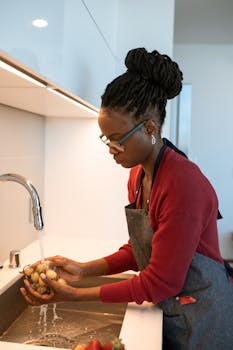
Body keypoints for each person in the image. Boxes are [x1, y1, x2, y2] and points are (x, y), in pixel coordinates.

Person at [20, 48, 233, 349]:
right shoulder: (139, 175)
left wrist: (76, 295)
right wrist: (84, 269)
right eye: (106, 139)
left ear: (149, 129)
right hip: (173, 309)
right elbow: (141, 250)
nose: (111, 149)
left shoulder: (183, 184)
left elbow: (161, 282)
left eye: (117, 139)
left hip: (203, 319)